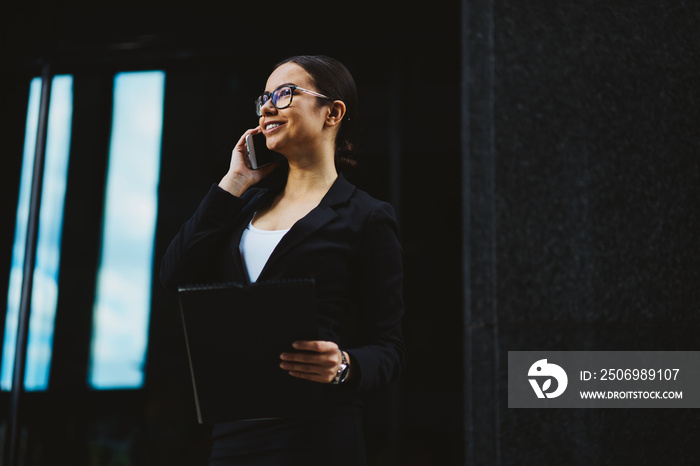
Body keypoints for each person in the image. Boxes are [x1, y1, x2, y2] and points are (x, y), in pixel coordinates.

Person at [160, 55, 405, 466]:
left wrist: (344, 365)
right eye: (264, 98)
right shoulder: (240, 208)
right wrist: (234, 181)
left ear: (333, 112)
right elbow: (174, 273)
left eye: (285, 94)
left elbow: (390, 349)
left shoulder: (366, 215)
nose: (267, 107)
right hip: (234, 435)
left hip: (318, 437)